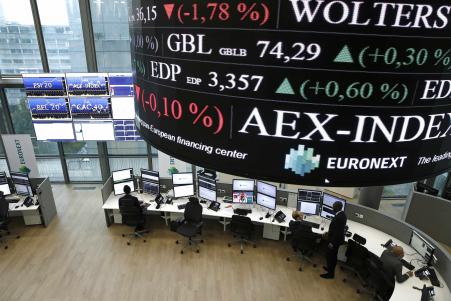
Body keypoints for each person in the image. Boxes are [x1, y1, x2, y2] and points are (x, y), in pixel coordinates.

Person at [320, 201, 347, 279]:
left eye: (333, 207)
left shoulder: (339, 217)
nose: (332, 208)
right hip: (335, 239)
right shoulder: (342, 214)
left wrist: (332, 243)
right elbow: (336, 229)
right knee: (332, 256)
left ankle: (330, 274)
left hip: (334, 241)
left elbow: (337, 233)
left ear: (337, 208)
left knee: (330, 256)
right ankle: (330, 268)